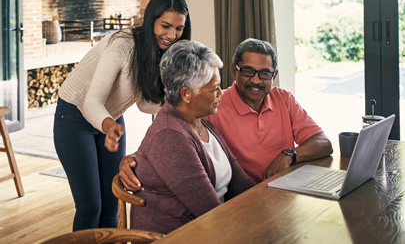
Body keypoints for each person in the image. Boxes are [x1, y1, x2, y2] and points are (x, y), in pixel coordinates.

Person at [53, 0, 191, 231]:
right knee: (90, 207)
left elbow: (144, 103)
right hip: (75, 116)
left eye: (178, 28)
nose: (172, 35)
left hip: (112, 121)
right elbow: (91, 102)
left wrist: (179, 103)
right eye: (165, 26)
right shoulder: (122, 45)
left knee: (112, 204)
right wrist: (109, 126)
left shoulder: (164, 53)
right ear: (151, 21)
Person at [120, 38, 332, 189]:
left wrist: (289, 155)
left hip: (284, 192)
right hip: (241, 197)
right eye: (248, 71)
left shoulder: (283, 98)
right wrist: (133, 159)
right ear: (234, 70)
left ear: (274, 75)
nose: (256, 80)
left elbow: (323, 143)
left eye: (265, 73)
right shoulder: (212, 104)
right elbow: (169, 137)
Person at [130, 40, 254, 234]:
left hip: (209, 228)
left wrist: (268, 206)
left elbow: (242, 184)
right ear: (186, 94)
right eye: (214, 89)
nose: (221, 94)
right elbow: (208, 210)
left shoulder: (202, 123)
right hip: (179, 236)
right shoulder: (170, 137)